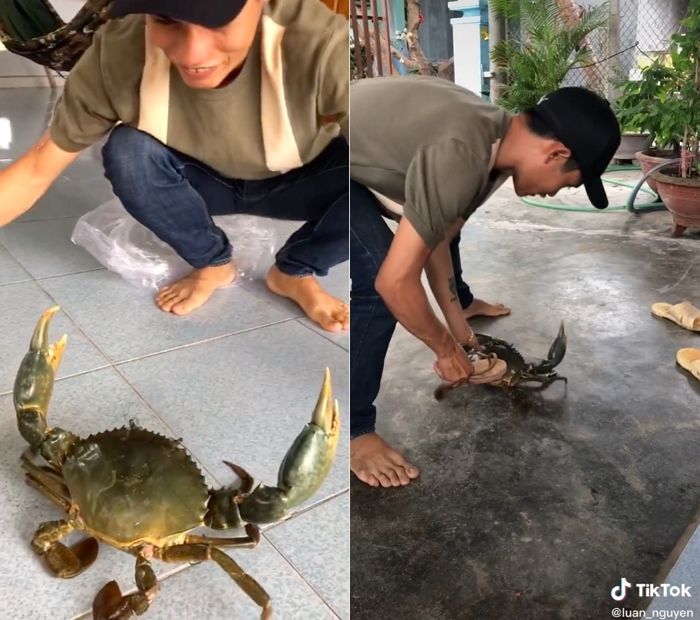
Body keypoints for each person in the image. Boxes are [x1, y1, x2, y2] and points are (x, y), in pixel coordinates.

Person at [0, 0, 349, 331]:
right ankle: (212, 264)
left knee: (377, 175)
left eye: (219, 19)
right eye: (165, 19)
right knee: (128, 152)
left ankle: (295, 270)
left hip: (300, 182)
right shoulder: (119, 50)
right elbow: (36, 169)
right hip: (196, 182)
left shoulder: (319, 42)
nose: (191, 52)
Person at [349, 76, 621, 488]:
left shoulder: (494, 145)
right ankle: (354, 432)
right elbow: (395, 282)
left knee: (392, 260)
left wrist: (460, 334)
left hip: (342, 149)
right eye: (572, 182)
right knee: (374, 281)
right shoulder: (463, 151)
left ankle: (291, 269)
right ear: (556, 153)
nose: (559, 191)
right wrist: (443, 350)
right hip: (307, 151)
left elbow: (436, 240)